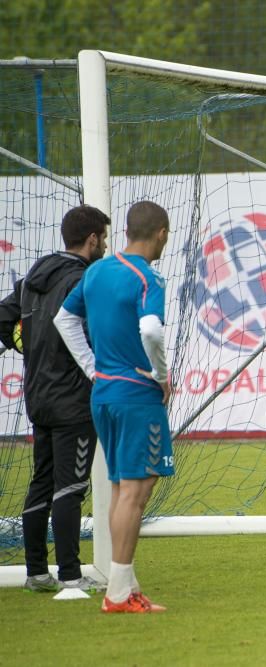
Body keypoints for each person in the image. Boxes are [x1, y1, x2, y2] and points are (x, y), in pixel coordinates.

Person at [55, 201, 173, 612]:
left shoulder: (96, 271)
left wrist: (93, 368)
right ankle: (118, 593)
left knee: (123, 489)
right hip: (137, 397)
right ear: (160, 233)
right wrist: (160, 375)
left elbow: (63, 320)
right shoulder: (147, 278)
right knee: (134, 494)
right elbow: (151, 328)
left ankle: (126, 582)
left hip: (103, 394)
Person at [0, 205, 110, 593]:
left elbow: (3, 317)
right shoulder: (87, 278)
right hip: (73, 398)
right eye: (104, 238)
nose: (105, 246)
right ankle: (70, 573)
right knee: (70, 487)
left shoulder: (36, 273)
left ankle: (35, 572)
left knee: (42, 482)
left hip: (38, 395)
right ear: (92, 238)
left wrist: (24, 344)